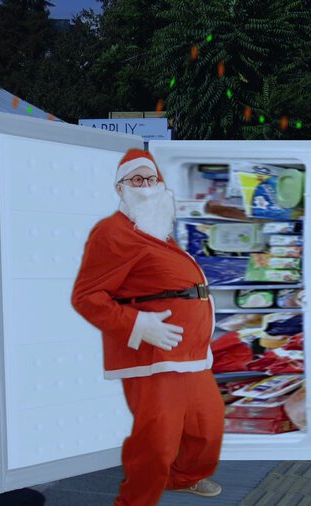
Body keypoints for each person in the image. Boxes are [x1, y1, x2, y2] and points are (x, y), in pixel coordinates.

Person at [71, 149, 224, 505]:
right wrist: (137, 324)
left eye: (150, 178)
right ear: (120, 187)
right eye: (136, 179)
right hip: (154, 354)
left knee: (208, 425)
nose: (145, 185)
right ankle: (135, 500)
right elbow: (87, 296)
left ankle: (182, 477)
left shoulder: (155, 228)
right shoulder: (110, 232)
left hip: (190, 353)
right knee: (157, 440)